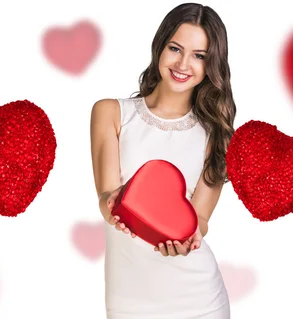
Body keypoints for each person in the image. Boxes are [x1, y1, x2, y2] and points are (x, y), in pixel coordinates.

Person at [90, 3, 237, 318]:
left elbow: (200, 219)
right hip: (129, 300)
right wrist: (114, 205)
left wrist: (189, 238)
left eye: (199, 55)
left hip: (199, 301)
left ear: (211, 64)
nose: (184, 63)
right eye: (175, 48)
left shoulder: (214, 131)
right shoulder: (111, 113)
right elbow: (105, 198)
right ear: (160, 46)